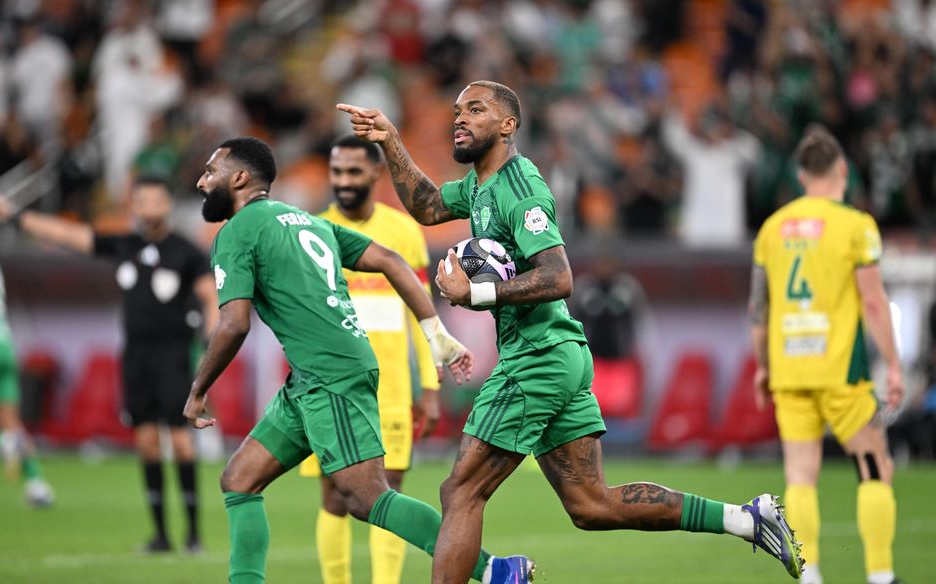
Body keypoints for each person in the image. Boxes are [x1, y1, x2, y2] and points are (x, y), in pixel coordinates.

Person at [337, 80, 804, 584]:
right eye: (457, 110)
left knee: (461, 491)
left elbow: (559, 276)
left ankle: (498, 575)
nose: (460, 118)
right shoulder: (480, 186)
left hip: (536, 357)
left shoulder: (521, 189)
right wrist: (390, 140)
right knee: (591, 504)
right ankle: (746, 518)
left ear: (508, 125)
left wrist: (479, 295)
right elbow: (428, 207)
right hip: (557, 353)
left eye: (476, 109)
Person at [185, 137, 532, 584]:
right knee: (239, 479)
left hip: (331, 376)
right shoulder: (307, 221)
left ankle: (494, 570)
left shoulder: (238, 231)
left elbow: (233, 324)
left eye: (209, 172)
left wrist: (198, 390)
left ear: (238, 178)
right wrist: (435, 334)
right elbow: (389, 259)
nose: (200, 181)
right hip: (313, 375)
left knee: (367, 499)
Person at [0, 176, 218, 553]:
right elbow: (72, 236)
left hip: (175, 355)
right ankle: (161, 536)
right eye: (142, 200)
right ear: (134, 206)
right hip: (135, 355)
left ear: (166, 205)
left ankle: (194, 534)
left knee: (181, 443)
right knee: (147, 442)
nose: (149, 207)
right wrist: (17, 217)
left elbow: (209, 295)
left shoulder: (185, 252)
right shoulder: (125, 245)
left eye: (155, 200)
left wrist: (210, 342)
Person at [749, 125, 904, 584]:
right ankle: (880, 575)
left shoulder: (773, 229)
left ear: (800, 175)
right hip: (842, 371)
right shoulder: (856, 226)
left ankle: (810, 573)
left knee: (800, 477)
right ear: (843, 170)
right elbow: (873, 302)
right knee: (875, 465)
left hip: (792, 370)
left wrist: (763, 367)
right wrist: (894, 364)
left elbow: (758, 310)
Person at [296, 134, 441, 584]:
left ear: (377, 173)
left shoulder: (403, 232)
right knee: (335, 496)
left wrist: (431, 387)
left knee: (389, 495)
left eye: (353, 171)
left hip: (392, 389)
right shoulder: (308, 231)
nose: (343, 181)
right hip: (329, 387)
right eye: (336, 172)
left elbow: (422, 314)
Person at [0, 262, 54, 507]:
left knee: (8, 426)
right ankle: (36, 484)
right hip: (4, 344)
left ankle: (6, 443)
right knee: (10, 422)